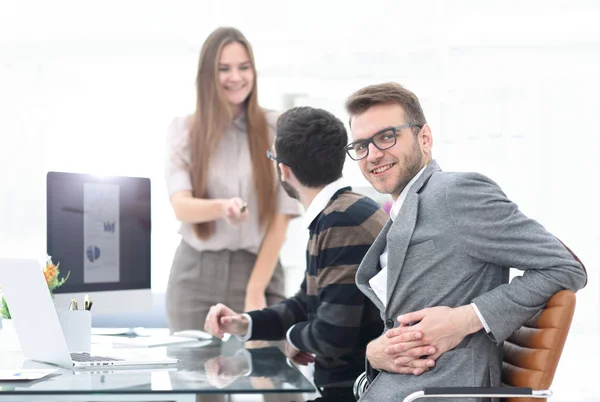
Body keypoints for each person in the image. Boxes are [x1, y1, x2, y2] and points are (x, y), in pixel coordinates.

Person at [342, 82, 588, 401]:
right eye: (361, 145)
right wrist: (375, 353)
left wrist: (466, 318)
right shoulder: (404, 211)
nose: (373, 154)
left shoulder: (455, 193)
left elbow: (565, 267)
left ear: (424, 139)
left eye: (387, 137)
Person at [204, 106, 388, 402]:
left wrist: (292, 337)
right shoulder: (341, 211)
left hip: (356, 393)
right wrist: (245, 323)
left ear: (284, 170)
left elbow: (333, 336)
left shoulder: (342, 222)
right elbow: (306, 303)